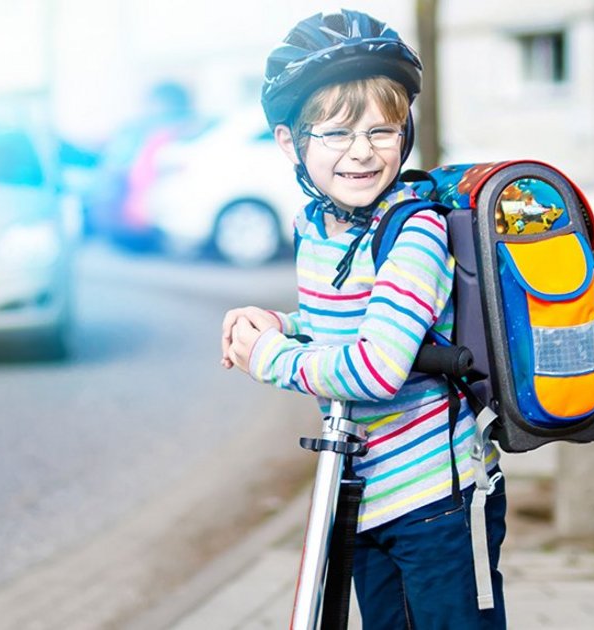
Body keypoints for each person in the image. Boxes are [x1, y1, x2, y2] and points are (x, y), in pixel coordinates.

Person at [220, 10, 506, 629]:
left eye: (383, 131)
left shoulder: (415, 233)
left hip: (440, 501)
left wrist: (268, 357)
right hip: (365, 494)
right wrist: (281, 323)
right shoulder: (319, 228)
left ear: (406, 134)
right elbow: (342, 322)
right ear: (290, 143)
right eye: (337, 134)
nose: (362, 153)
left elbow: (376, 369)